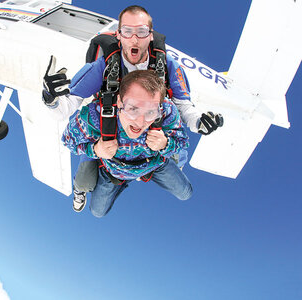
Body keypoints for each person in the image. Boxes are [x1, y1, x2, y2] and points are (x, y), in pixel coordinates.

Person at [43, 5, 221, 211]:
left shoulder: (168, 66)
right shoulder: (103, 67)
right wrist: (51, 98)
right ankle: (87, 185)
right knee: (85, 182)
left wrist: (199, 122)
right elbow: (68, 106)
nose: (134, 39)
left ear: (151, 35)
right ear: (119, 35)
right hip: (110, 130)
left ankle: (153, 165)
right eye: (127, 31)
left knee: (182, 182)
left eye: (142, 31)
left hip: (151, 138)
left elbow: (183, 105)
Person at [62, 70, 192, 217]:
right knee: (97, 212)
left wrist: (166, 144)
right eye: (133, 109)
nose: (140, 122)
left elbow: (182, 141)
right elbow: (68, 140)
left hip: (153, 163)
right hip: (114, 169)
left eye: (150, 112)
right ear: (119, 101)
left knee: (185, 193)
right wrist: (95, 150)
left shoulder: (167, 111)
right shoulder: (96, 115)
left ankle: (172, 162)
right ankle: (97, 181)